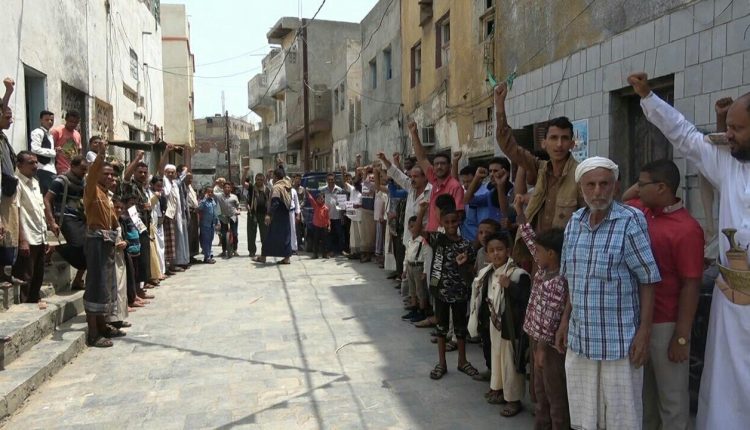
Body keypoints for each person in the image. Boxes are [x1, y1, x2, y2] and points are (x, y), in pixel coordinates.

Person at [628, 72, 750, 430]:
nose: (729, 135)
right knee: (729, 384)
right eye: (729, 127)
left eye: (738, 129)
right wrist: (648, 97)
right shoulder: (728, 164)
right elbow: (683, 134)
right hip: (733, 303)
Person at [556, 156, 661, 429]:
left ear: (616, 186)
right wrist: (565, 320)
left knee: (621, 419)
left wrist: (644, 331)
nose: (598, 191)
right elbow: (572, 279)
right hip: (581, 339)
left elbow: (648, 279)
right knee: (585, 417)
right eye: (590, 185)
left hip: (620, 341)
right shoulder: (574, 223)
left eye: (604, 184)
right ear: (581, 188)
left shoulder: (630, 221)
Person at [619, 159, 704, 430]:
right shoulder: (643, 212)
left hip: (666, 324)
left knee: (672, 400)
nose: (637, 188)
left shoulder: (687, 229)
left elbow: (691, 285)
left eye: (642, 184)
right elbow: (624, 199)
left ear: (662, 188)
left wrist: (681, 337)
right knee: (644, 399)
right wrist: (642, 186)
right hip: (638, 320)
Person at [493, 83, 585, 267]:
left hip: (567, 260)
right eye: (554, 138)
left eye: (564, 138)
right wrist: (500, 106)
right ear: (544, 143)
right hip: (537, 258)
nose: (559, 144)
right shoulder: (540, 168)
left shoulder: (580, 175)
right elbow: (508, 145)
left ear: (572, 143)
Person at [469, 232, 530, 417]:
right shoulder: (486, 272)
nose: (496, 254)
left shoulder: (518, 274)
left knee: (510, 363)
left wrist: (510, 286)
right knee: (496, 359)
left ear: (508, 251)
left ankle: (513, 400)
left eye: (500, 249)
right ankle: (498, 389)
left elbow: (526, 299)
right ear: (487, 254)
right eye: (492, 250)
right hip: (493, 325)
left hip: (510, 328)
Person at [415, 200, 477, 380]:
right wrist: (422, 212)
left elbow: (471, 271)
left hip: (460, 293)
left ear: (459, 221)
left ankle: (462, 361)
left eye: (454, 221)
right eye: (447, 222)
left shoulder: (466, 245)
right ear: (441, 222)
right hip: (440, 292)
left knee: (460, 328)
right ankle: (441, 363)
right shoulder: (438, 239)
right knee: (441, 329)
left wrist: (465, 265)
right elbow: (417, 232)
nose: (451, 225)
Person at [517, 214, 569, 429]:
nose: (534, 254)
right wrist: (520, 213)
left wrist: (541, 349)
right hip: (537, 341)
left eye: (538, 252)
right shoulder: (544, 269)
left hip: (549, 347)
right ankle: (542, 424)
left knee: (554, 393)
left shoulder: (558, 282)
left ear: (551, 253)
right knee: (540, 391)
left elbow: (550, 321)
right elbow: (530, 240)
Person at [82, 140, 121, 348]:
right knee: (96, 285)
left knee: (106, 285)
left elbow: (113, 218)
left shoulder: (106, 195)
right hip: (96, 241)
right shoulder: (91, 190)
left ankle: (103, 325)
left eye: (112, 175)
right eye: (106, 174)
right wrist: (101, 155)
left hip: (107, 242)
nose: (110, 177)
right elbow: (92, 173)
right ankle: (93, 333)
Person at [408, 121, 465, 232]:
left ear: (450, 166)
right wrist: (414, 133)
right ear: (433, 168)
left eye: (443, 164)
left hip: (445, 236)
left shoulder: (455, 186)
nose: (439, 167)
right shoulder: (434, 180)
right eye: (436, 164)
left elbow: (458, 215)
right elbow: (422, 158)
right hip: (431, 234)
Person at [45, 155, 88, 290]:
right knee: (78, 245)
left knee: (89, 247)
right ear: (73, 166)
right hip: (64, 217)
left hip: (80, 218)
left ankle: (78, 280)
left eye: (86, 169)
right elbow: (47, 200)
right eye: (82, 169)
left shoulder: (83, 182)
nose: (84, 172)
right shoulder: (61, 181)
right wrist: (51, 221)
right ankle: (56, 247)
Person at [12, 151, 47, 303]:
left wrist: (46, 237)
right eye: (31, 163)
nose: (35, 165)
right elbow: (16, 212)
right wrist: (22, 240)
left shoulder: (35, 182)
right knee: (26, 275)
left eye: (36, 162)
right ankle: (24, 304)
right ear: (19, 165)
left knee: (38, 274)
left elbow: (40, 211)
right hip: (28, 237)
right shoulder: (17, 183)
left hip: (39, 235)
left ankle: (34, 301)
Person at [122, 151, 153, 288]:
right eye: (140, 172)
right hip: (133, 223)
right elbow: (126, 177)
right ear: (134, 172)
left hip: (143, 224)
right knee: (137, 257)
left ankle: (142, 286)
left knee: (144, 256)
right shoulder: (130, 185)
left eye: (145, 172)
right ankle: (136, 290)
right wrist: (137, 159)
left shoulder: (142, 188)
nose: (143, 174)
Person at [0, 87, 21, 286]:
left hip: (8, 192)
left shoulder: (3, 139)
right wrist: (8, 92)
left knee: (9, 234)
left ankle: (6, 273)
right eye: (7, 117)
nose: (11, 120)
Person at [254, 168, 292, 264]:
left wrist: (269, 214)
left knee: (269, 236)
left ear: (275, 177)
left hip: (277, 215)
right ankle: (287, 258)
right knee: (285, 236)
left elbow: (275, 202)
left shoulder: (277, 187)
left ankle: (263, 257)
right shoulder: (286, 185)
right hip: (285, 214)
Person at [401, 216, 430, 323]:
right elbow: (406, 255)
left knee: (420, 291)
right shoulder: (409, 241)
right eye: (411, 226)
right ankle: (414, 309)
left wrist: (425, 272)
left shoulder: (422, 241)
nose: (412, 229)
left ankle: (422, 311)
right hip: (410, 266)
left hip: (418, 267)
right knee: (412, 290)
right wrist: (404, 270)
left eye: (415, 226)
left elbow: (427, 256)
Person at [29, 110, 57, 194]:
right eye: (47, 119)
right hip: (42, 169)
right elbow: (34, 149)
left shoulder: (50, 135)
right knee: (46, 195)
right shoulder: (38, 132)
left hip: (51, 170)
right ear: (41, 120)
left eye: (51, 120)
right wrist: (53, 152)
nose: (50, 122)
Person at [319, 173, 345, 257]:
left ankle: (342, 250)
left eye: (332, 179)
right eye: (329, 180)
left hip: (337, 216)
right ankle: (330, 250)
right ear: (327, 180)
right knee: (328, 235)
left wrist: (342, 216)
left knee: (340, 234)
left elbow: (342, 204)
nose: (330, 181)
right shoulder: (323, 190)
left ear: (335, 180)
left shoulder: (339, 190)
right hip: (327, 216)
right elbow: (320, 203)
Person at [50, 110, 82, 174]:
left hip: (73, 170)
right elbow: (49, 148)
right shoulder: (57, 131)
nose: (73, 124)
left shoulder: (77, 134)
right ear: (66, 119)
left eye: (76, 122)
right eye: (71, 121)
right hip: (60, 169)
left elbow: (79, 151)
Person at [246, 173, 270, 257]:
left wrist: (268, 214)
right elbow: (243, 183)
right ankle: (252, 251)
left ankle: (265, 251)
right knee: (251, 234)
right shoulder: (252, 188)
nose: (259, 181)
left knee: (265, 234)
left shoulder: (267, 189)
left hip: (264, 215)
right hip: (253, 214)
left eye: (261, 180)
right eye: (258, 179)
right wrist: (245, 172)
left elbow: (269, 202)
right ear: (255, 180)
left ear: (263, 180)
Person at [217, 182, 240, 258]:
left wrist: (238, 211)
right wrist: (216, 183)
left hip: (233, 217)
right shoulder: (219, 196)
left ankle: (235, 250)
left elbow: (238, 205)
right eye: (225, 187)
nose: (227, 189)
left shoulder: (234, 196)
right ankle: (224, 251)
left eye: (228, 187)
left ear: (231, 189)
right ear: (223, 189)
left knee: (235, 234)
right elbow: (211, 192)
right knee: (223, 235)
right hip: (223, 218)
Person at [305, 190, 329, 259]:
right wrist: (308, 193)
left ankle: (325, 254)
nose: (320, 200)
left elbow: (327, 218)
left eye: (321, 198)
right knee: (316, 241)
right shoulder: (315, 206)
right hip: (316, 226)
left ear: (323, 199)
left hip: (324, 226)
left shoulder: (326, 208)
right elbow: (311, 199)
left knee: (325, 241)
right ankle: (315, 254)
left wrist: (329, 225)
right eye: (318, 199)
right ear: (317, 200)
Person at [197, 186, 219, 264]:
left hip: (211, 224)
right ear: (205, 193)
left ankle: (209, 254)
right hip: (205, 224)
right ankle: (207, 257)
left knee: (210, 240)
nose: (210, 193)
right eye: (208, 192)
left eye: (211, 192)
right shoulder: (203, 201)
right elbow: (199, 208)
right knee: (205, 241)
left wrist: (217, 222)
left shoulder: (213, 201)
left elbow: (215, 212)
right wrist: (204, 199)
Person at [185, 173, 200, 263]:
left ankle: (192, 255)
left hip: (194, 213)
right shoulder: (183, 188)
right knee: (189, 235)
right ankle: (188, 256)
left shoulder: (190, 188)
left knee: (194, 235)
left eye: (191, 178)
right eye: (188, 178)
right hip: (189, 213)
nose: (190, 180)